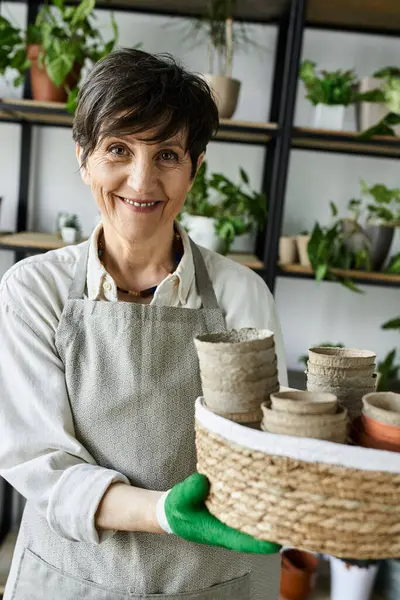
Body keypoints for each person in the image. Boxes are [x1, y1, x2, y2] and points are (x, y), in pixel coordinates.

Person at [0, 49, 288, 600]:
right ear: (83, 158)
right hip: (70, 578)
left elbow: (261, 450)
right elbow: (42, 463)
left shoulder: (239, 295)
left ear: (195, 168)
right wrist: (164, 512)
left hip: (214, 580)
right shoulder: (32, 292)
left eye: (167, 155)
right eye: (118, 149)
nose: (142, 179)